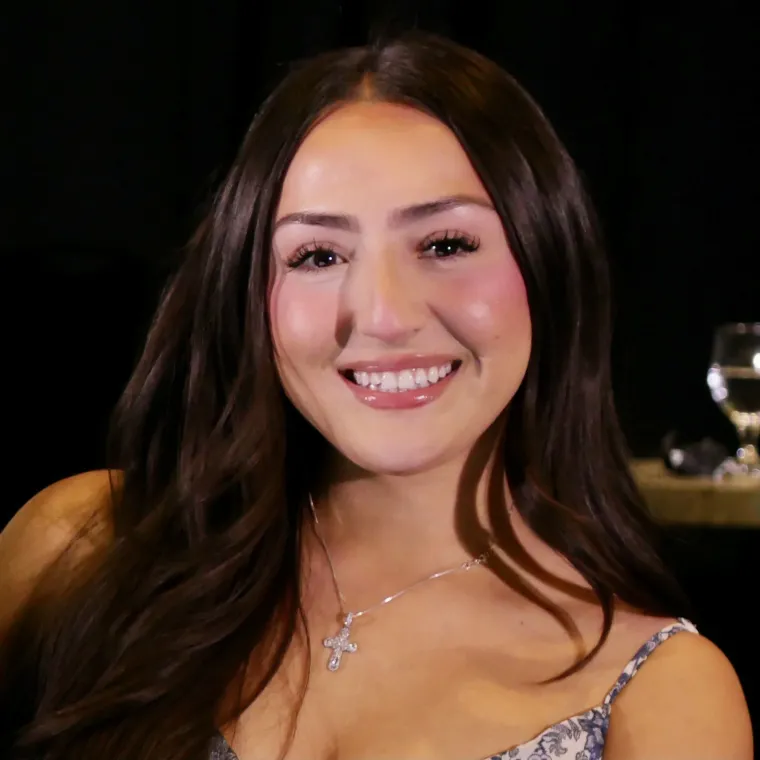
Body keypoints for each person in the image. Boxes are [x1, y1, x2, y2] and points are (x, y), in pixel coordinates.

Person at [0, 30, 752, 760]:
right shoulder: (81, 549)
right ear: (250, 294)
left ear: (548, 262)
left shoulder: (660, 699)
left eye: (446, 245)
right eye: (318, 254)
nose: (384, 315)